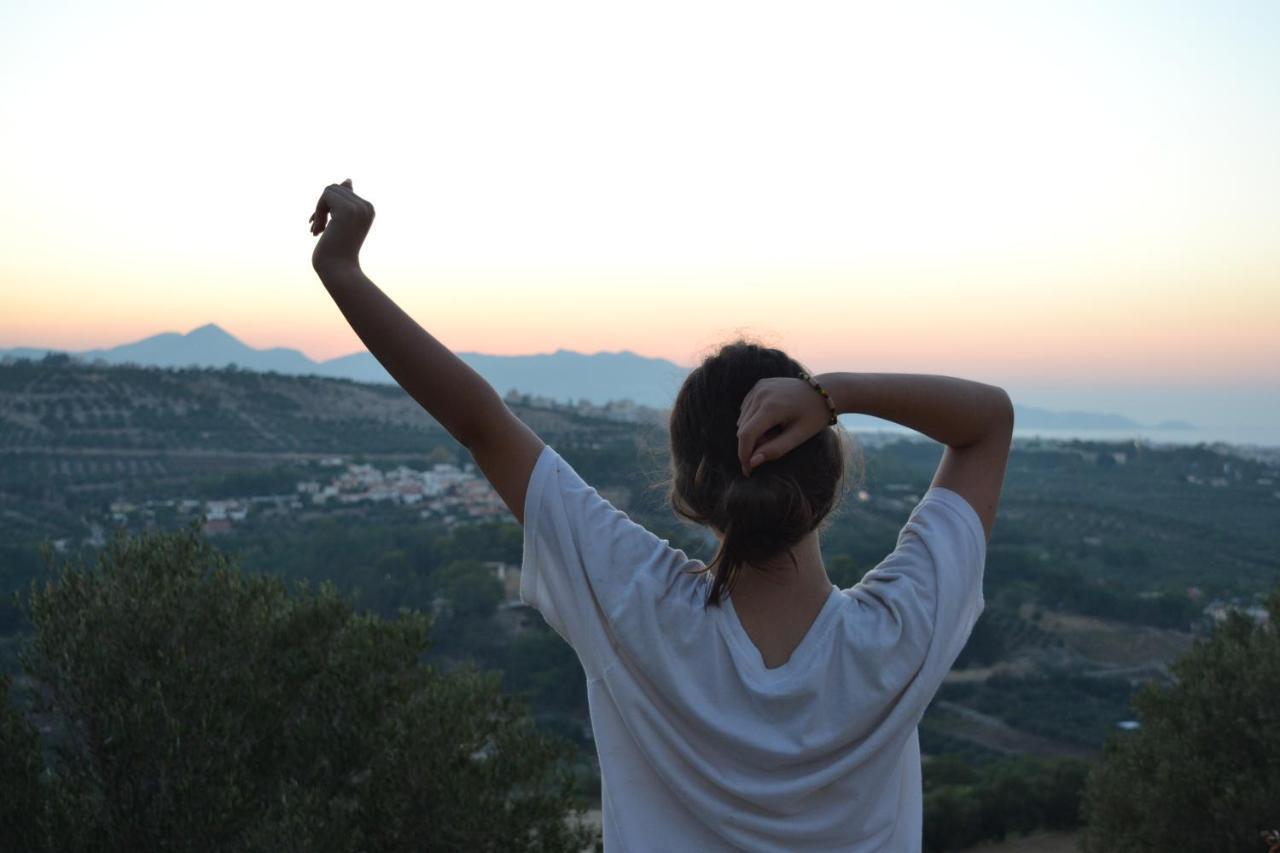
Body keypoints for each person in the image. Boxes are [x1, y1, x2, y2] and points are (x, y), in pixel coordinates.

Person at [309, 179, 1013, 851]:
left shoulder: (637, 605)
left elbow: (480, 422)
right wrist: (831, 394)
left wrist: (341, 266)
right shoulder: (899, 634)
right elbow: (988, 421)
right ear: (828, 481)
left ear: (689, 492)